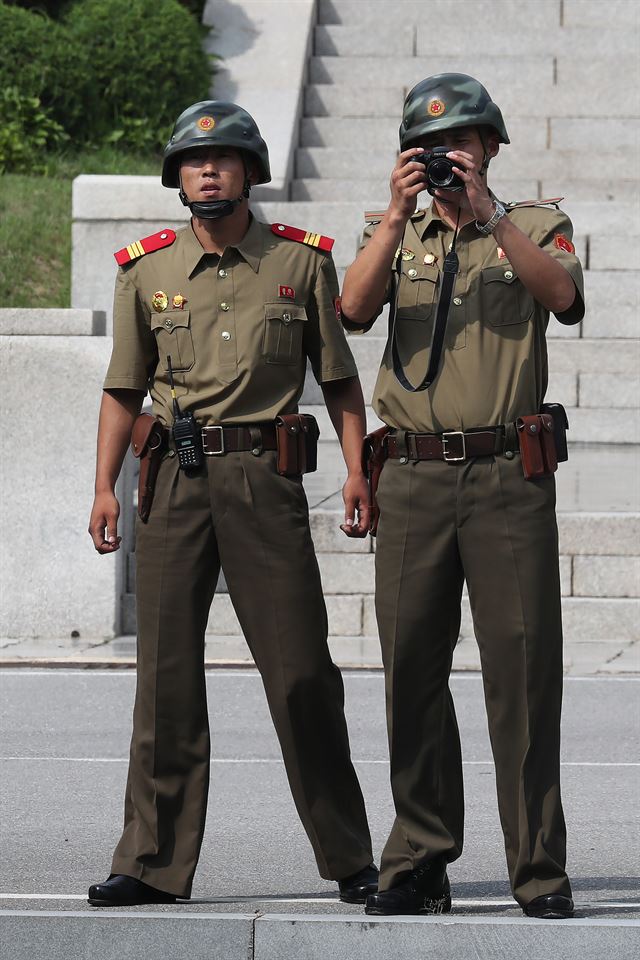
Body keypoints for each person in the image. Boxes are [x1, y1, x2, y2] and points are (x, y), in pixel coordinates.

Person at [87, 100, 378, 907]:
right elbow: (122, 387)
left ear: (252, 171)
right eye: (193, 161)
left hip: (264, 476)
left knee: (300, 674)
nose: (208, 170)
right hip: (172, 481)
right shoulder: (146, 269)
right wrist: (103, 487)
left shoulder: (301, 263)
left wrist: (357, 471)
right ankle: (151, 863)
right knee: (166, 679)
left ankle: (351, 856)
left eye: (224, 159)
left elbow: (342, 380)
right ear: (177, 178)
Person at [340, 73, 584, 919]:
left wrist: (490, 216)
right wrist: (400, 214)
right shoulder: (388, 231)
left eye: (465, 142)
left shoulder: (536, 226)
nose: (450, 156)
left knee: (522, 673)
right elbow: (352, 310)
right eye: (432, 147)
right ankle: (417, 860)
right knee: (410, 667)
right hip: (409, 475)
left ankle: (538, 871)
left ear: (492, 147)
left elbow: (563, 297)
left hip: (506, 477)